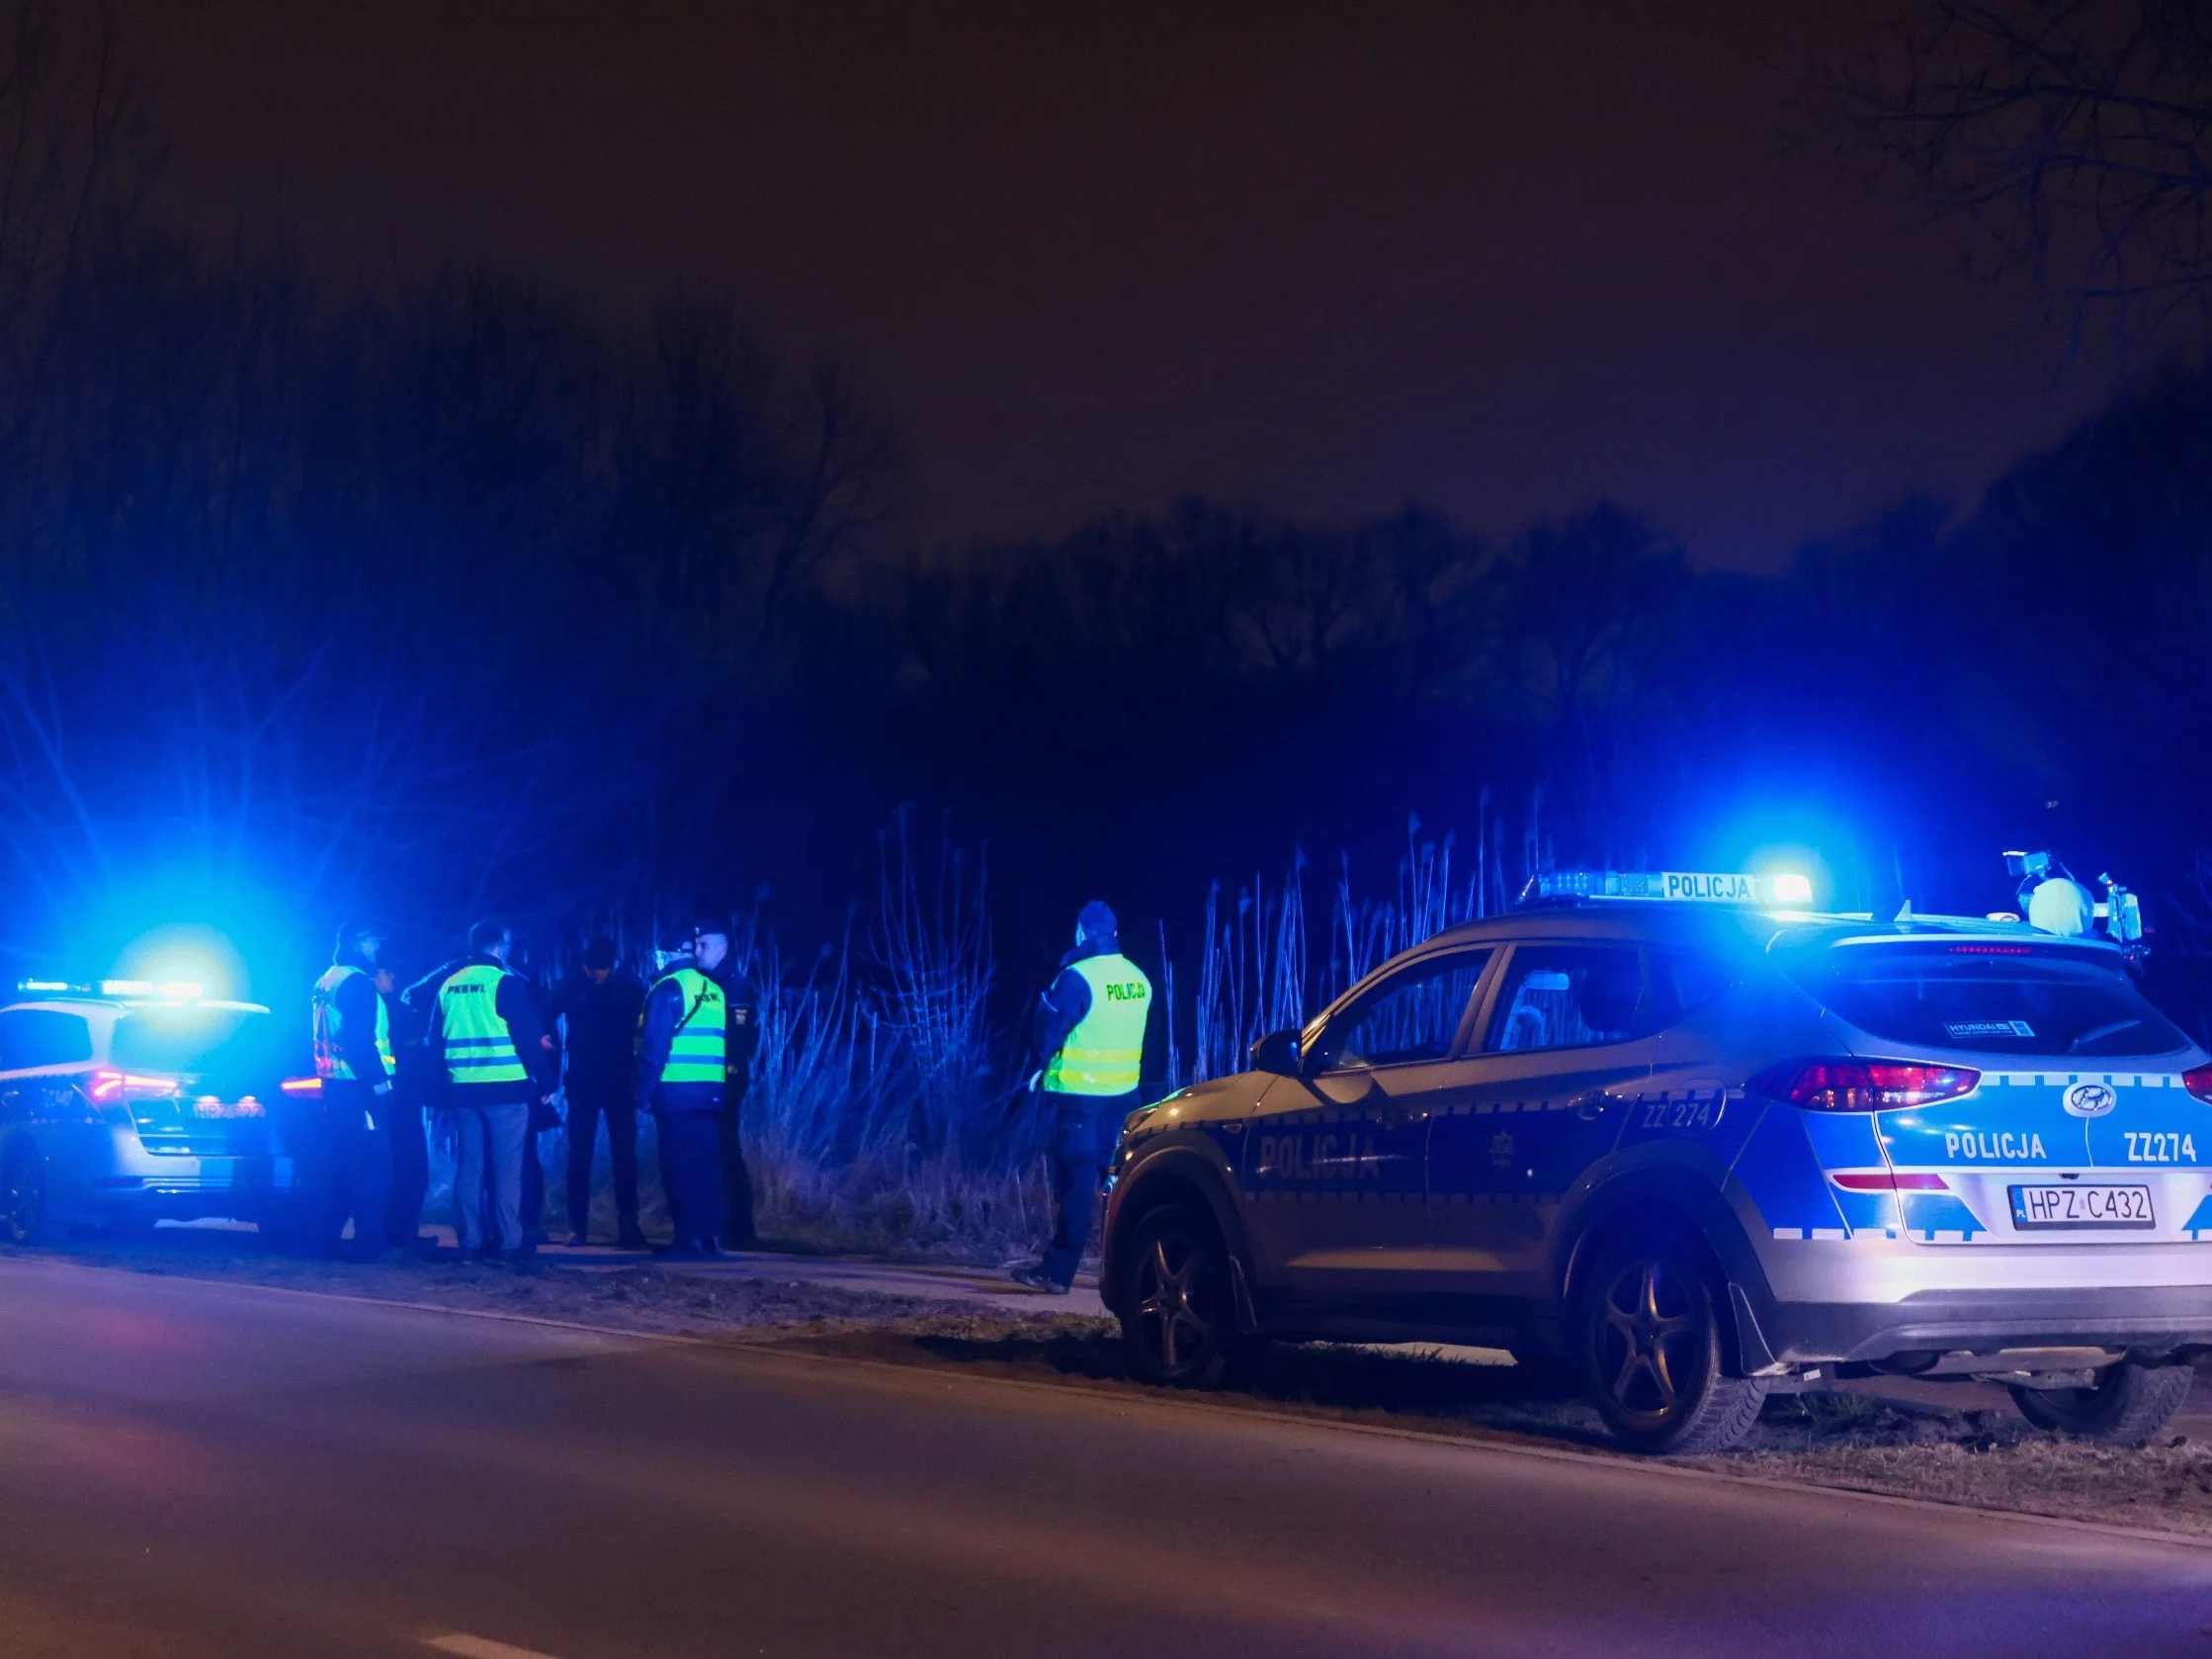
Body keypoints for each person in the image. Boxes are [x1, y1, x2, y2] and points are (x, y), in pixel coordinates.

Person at [1012, 900, 1151, 1294]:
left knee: (1074, 1183)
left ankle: (1058, 1272)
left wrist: (1036, 1067)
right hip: (1123, 1098)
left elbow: (1046, 1034)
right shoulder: (1138, 978)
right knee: (1112, 1182)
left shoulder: (1077, 977)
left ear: (1080, 933)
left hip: (1079, 1098)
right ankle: (1127, 1271)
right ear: (1115, 933)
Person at [425, 918, 551, 1264]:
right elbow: (527, 1039)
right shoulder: (504, 983)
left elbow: (434, 1043)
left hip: (463, 1092)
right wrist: (547, 1080)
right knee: (508, 1168)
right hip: (507, 1092)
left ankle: (469, 1243)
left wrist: (438, 1092)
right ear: (498, 947)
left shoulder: (449, 985)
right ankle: (509, 1241)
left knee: (469, 1167)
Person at [544, 935, 648, 1247]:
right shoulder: (574, 982)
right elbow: (545, 1011)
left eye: (601, 969)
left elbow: (648, 1029)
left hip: (620, 1081)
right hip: (583, 1081)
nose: (596, 974)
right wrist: (550, 1046)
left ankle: (629, 1226)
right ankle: (579, 1227)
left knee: (625, 1155)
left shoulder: (633, 986)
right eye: (592, 968)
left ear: (613, 964)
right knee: (579, 1155)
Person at [636, 914, 730, 1257]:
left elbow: (654, 1047)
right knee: (706, 1166)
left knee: (679, 1167)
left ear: (672, 954)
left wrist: (643, 1094)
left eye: (660, 955)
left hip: (675, 1093)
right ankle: (711, 1237)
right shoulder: (714, 990)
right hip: (710, 1094)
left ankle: (686, 1238)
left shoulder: (668, 989)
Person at [308, 921, 395, 1261]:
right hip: (359, 1087)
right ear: (359, 944)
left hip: (334, 1086)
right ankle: (369, 1244)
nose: (377, 948)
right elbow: (356, 1039)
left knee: (341, 1163)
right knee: (370, 1167)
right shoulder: (358, 982)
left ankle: (327, 1238)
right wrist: (380, 1084)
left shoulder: (327, 978)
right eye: (372, 941)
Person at [377, 957, 435, 1254]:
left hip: (382, 1102)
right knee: (411, 1170)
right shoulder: (395, 1011)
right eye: (387, 971)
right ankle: (403, 1234)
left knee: (388, 1169)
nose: (392, 977)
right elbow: (417, 1053)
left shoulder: (371, 1010)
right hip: (404, 1101)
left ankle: (389, 1233)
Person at [713, 940, 762, 1251]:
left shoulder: (736, 986)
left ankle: (741, 1227)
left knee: (727, 1150)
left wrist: (729, 1072)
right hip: (715, 1077)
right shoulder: (713, 983)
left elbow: (740, 1038)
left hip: (729, 1077)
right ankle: (726, 1225)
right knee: (718, 1151)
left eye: (703, 944)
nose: (697, 951)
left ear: (721, 947)